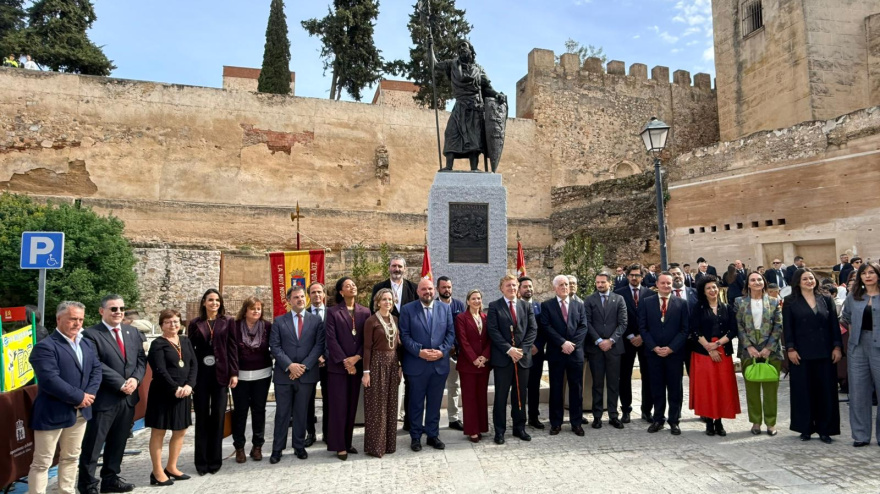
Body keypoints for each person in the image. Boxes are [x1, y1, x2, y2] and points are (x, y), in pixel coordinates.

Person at [28, 302, 101, 494]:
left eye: (80, 319)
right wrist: (79, 397)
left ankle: (66, 491)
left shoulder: (85, 343)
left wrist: (89, 396)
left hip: (80, 412)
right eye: (73, 319)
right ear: (59, 319)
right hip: (53, 412)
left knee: (71, 457)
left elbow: (96, 370)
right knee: (42, 462)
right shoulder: (45, 347)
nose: (77, 323)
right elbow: (50, 379)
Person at [79, 295, 147, 494]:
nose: (118, 312)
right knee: (93, 444)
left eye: (121, 308)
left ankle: (110, 478)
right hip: (104, 398)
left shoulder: (132, 332)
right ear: (102, 311)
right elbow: (95, 362)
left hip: (127, 398)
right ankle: (88, 484)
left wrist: (135, 379)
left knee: (119, 441)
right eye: (113, 308)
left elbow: (141, 360)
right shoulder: (90, 334)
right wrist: (120, 383)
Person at [784, 268, 842, 443]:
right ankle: (806, 427)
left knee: (826, 391)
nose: (809, 281)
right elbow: (788, 328)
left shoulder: (826, 299)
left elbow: (834, 325)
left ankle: (826, 429)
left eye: (811, 278)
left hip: (825, 352)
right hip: (800, 354)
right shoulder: (790, 301)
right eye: (804, 279)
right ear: (797, 282)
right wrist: (790, 349)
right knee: (803, 391)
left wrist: (837, 347)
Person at [429, 39, 506, 171]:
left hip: (475, 107)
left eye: (464, 46)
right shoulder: (452, 65)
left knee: (474, 138)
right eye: (458, 47)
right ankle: (448, 166)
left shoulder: (478, 69)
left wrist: (497, 94)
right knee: (451, 133)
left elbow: (487, 88)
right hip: (459, 107)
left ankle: (474, 168)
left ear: (471, 50)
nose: (461, 48)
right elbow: (434, 65)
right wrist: (430, 46)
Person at [269, 285, 324, 463]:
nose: (300, 299)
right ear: (289, 301)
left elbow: (318, 346)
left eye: (302, 296)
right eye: (296, 297)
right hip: (284, 376)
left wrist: (304, 367)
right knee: (282, 413)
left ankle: (299, 446)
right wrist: (290, 366)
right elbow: (275, 347)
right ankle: (277, 449)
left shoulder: (316, 321)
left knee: (301, 412)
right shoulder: (279, 321)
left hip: (307, 375)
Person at [400, 278, 455, 451]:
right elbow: (405, 335)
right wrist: (419, 351)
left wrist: (441, 351)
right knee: (416, 403)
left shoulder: (445, 309)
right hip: (417, 364)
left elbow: (450, 333)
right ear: (418, 292)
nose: (428, 292)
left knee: (434, 402)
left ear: (435, 290)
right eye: (424, 289)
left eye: (430, 289)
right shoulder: (407, 310)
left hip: (438, 365)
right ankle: (415, 437)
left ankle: (433, 435)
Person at [187, 289, 237, 475]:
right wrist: (189, 378)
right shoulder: (195, 323)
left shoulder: (228, 322)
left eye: (217, 300)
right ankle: (201, 461)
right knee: (201, 418)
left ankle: (215, 460)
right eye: (210, 300)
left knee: (217, 416)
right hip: (201, 375)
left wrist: (234, 372)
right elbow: (189, 350)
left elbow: (232, 348)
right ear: (204, 302)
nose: (214, 303)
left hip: (221, 374)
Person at [144, 309, 196, 486]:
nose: (173, 325)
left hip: (184, 392)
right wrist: (175, 388)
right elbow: (159, 370)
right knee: (159, 431)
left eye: (175, 321)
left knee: (180, 430)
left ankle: (171, 467)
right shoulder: (158, 344)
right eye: (168, 322)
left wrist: (189, 385)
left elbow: (193, 365)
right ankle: (157, 472)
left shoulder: (185, 341)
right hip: (163, 393)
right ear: (161, 325)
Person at [487, 275, 538, 444]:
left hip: (522, 359)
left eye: (514, 285)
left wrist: (521, 350)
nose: (512, 288)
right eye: (508, 285)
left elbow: (532, 329)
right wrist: (509, 349)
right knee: (501, 396)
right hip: (503, 358)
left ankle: (519, 428)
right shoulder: (495, 306)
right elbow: (493, 331)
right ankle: (500, 431)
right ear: (501, 288)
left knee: (520, 395)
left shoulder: (525, 306)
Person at [370, 255, 418, 431]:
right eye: (394, 266)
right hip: (387, 347)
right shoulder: (379, 288)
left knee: (411, 384)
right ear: (389, 268)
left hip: (409, 345)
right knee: (388, 385)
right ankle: (387, 422)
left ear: (405, 269)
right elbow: (372, 314)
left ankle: (409, 422)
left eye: (400, 266)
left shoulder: (413, 289)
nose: (397, 269)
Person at [638, 273, 689, 435]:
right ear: (657, 284)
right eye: (663, 283)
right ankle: (658, 419)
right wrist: (654, 347)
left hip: (674, 354)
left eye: (669, 283)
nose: (666, 286)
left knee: (675, 388)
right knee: (657, 387)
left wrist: (671, 348)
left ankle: (674, 420)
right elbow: (643, 328)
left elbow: (684, 329)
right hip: (654, 354)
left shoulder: (681, 304)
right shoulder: (646, 303)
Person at [689, 276, 740, 436]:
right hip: (703, 353)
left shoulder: (727, 307)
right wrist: (709, 348)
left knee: (722, 387)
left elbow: (733, 330)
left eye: (714, 287)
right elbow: (694, 329)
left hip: (723, 352)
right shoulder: (698, 308)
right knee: (707, 388)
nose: (712, 290)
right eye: (709, 288)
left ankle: (719, 421)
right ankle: (709, 421)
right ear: (703, 292)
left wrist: (717, 345)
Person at [325, 277, 369, 460]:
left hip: (357, 365)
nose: (352, 287)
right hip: (338, 368)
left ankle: (348, 441)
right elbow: (331, 339)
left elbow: (367, 339)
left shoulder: (365, 312)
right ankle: (339, 445)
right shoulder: (333, 312)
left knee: (351, 406)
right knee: (338, 407)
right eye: (348, 285)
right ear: (341, 292)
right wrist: (345, 361)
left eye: (354, 284)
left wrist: (357, 358)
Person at [736, 271, 784, 436]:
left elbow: (778, 325)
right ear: (748, 284)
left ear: (763, 282)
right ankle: (756, 422)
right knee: (752, 387)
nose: (756, 282)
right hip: (748, 349)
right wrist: (749, 347)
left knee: (771, 388)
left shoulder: (774, 301)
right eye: (752, 280)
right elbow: (739, 326)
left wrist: (768, 348)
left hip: (770, 349)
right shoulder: (740, 302)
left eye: (759, 279)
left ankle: (771, 423)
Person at [541, 275, 588, 435]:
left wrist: (572, 344)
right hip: (557, 353)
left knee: (576, 388)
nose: (565, 287)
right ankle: (556, 423)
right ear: (555, 287)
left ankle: (576, 423)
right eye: (561, 285)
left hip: (575, 353)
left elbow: (583, 326)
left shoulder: (579, 305)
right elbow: (546, 327)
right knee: (556, 389)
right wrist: (562, 343)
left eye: (567, 284)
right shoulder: (547, 305)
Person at [841, 261, 880, 447]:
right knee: (858, 392)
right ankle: (861, 435)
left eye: (872, 272)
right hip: (857, 347)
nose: (868, 276)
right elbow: (846, 317)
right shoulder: (853, 296)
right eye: (864, 273)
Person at [230, 297, 273, 462]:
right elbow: (231, 351)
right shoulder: (234, 326)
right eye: (252, 308)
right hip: (239, 377)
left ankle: (257, 447)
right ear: (245, 310)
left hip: (262, 375)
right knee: (240, 412)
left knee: (259, 411)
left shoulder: (267, 327)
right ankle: (239, 447)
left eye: (259, 309)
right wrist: (232, 372)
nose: (256, 311)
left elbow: (274, 346)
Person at [584, 273, 627, 429]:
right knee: (597, 383)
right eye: (597, 282)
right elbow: (587, 322)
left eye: (603, 282)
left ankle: (613, 415)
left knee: (613, 383)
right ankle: (597, 416)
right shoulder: (589, 300)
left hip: (614, 348)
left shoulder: (619, 299)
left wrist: (611, 340)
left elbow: (623, 323)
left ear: (610, 283)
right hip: (596, 348)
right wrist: (599, 341)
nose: (600, 285)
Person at [362, 288, 402, 457]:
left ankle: (389, 444)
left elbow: (398, 346)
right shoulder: (371, 321)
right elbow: (366, 348)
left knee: (391, 405)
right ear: (378, 302)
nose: (387, 302)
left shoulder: (395, 319)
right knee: (377, 407)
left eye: (390, 300)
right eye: (384, 299)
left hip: (393, 364)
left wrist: (400, 366)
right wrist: (366, 372)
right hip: (377, 364)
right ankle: (375, 446)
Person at [615, 264, 654, 423]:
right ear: (627, 276)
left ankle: (647, 410)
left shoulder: (650, 294)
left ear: (642, 277)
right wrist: (631, 336)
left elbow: (653, 319)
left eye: (637, 275)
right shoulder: (618, 294)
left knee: (648, 376)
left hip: (646, 342)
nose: (634, 278)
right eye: (631, 275)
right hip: (626, 340)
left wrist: (642, 337)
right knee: (624, 376)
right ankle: (626, 410)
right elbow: (617, 319)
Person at [455, 289, 491, 442]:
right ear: (468, 301)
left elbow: (490, 339)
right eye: (473, 298)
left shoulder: (485, 317)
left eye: (479, 298)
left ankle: (482, 426)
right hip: (468, 365)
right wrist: (474, 358)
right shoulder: (461, 318)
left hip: (484, 365)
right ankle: (472, 430)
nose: (477, 301)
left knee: (481, 397)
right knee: (470, 398)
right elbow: (462, 340)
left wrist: (485, 356)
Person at [436, 276, 465, 431]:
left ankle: (453, 418)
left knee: (454, 386)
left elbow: (464, 329)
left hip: (455, 354)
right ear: (437, 289)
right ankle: (434, 419)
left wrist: (457, 347)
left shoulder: (459, 305)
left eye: (449, 287)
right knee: (437, 387)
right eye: (443, 287)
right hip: (439, 354)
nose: (446, 290)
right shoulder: (433, 305)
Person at [519, 277, 545, 429]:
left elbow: (544, 328)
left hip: (536, 353)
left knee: (534, 387)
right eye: (525, 287)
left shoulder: (539, 307)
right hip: (521, 353)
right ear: (519, 289)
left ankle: (534, 417)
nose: (528, 289)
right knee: (520, 387)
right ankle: (520, 418)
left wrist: (538, 345)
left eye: (530, 286)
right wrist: (525, 347)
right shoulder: (515, 306)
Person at [305, 282, 328, 446]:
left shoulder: (333, 313)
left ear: (324, 294)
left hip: (329, 364)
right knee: (308, 400)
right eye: (313, 292)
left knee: (329, 400)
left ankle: (328, 433)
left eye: (319, 292)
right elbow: (302, 341)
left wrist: (325, 356)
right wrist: (315, 358)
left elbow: (335, 338)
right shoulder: (302, 315)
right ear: (309, 295)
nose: (317, 295)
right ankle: (310, 433)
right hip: (310, 364)